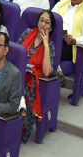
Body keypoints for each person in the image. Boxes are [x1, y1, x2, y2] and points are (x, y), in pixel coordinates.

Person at [18, 9, 55, 141]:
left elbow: (47, 72)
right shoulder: (28, 32)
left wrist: (45, 45)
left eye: (47, 22)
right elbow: (15, 51)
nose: (43, 24)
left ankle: (22, 120)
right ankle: (19, 113)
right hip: (19, 72)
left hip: (33, 81)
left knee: (23, 85)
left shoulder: (50, 45)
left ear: (51, 28)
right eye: (41, 20)